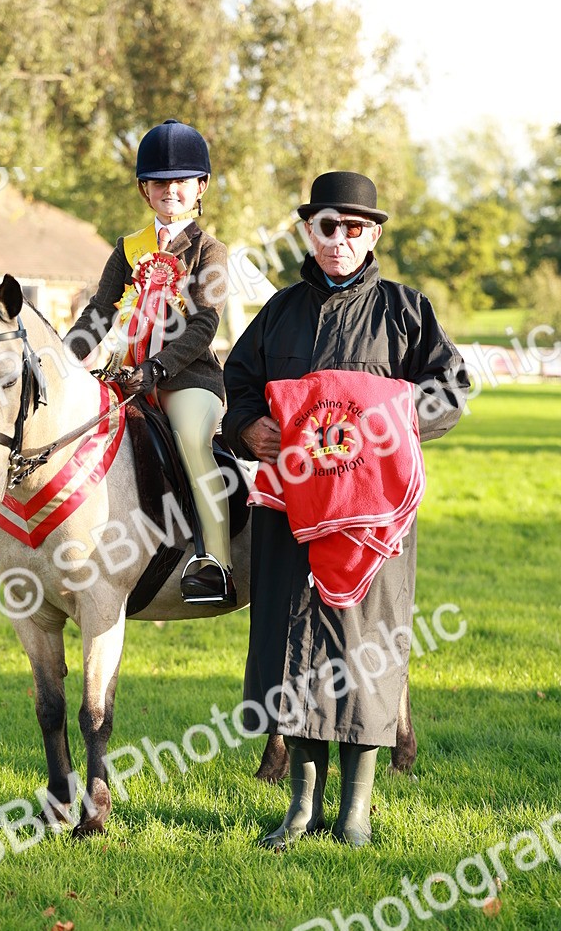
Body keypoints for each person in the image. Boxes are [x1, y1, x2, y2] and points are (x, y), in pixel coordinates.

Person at [223, 170, 470, 847]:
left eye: (354, 228)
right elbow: (238, 381)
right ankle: (301, 807)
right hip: (291, 513)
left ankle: (355, 810)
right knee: (295, 651)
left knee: (365, 651)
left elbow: (451, 390)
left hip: (372, 518)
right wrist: (246, 426)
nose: (339, 239)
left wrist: (389, 420)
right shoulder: (278, 311)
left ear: (373, 235)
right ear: (309, 230)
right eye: (327, 226)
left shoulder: (405, 310)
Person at [65, 119, 235, 606]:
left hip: (188, 378)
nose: (171, 190)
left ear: (200, 187)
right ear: (145, 189)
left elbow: (205, 324)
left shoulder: (210, 250)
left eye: (182, 181)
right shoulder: (128, 248)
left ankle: (214, 563)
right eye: (160, 182)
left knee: (190, 441)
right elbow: (99, 311)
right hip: (125, 375)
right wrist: (64, 357)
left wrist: (157, 369)